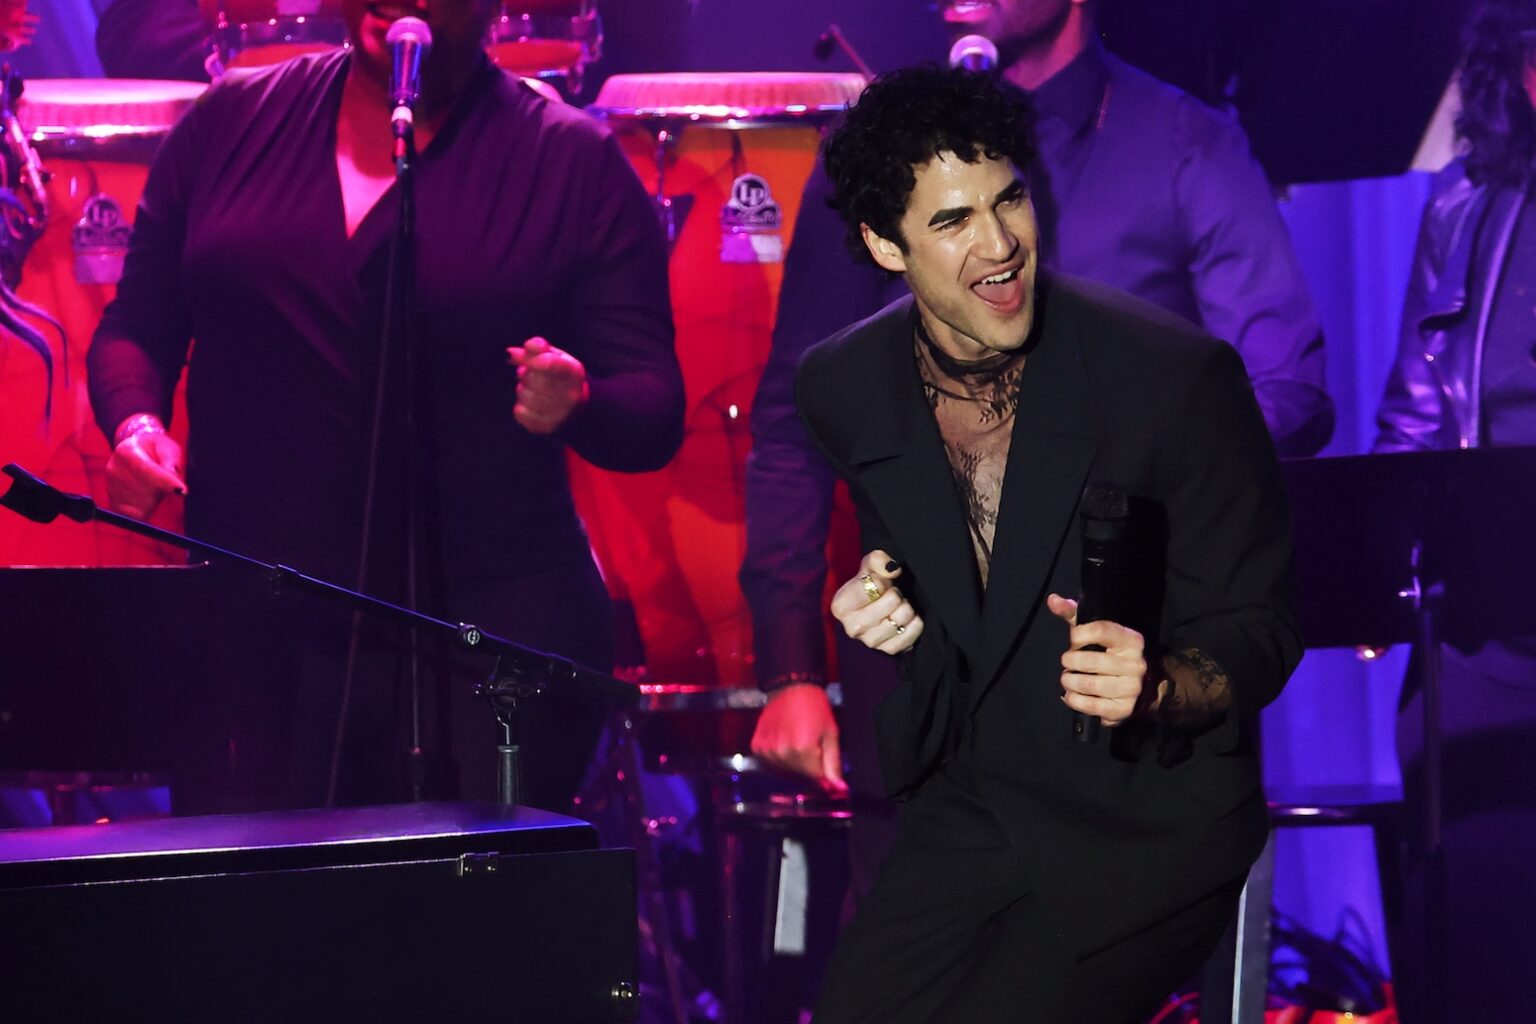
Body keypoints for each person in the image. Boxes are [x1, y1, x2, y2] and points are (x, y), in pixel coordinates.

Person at [744, 0, 1329, 896]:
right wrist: (787, 666)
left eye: (1010, 201)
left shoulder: (1181, 142)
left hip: (1115, 683)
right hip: (927, 704)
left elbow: (1284, 390)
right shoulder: (876, 159)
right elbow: (792, 419)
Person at [86, 0, 682, 815]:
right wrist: (136, 422)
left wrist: (578, 401)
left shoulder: (566, 158)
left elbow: (652, 408)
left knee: (459, 929)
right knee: (263, 929)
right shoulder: (230, 120)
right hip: (259, 631)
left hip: (483, 636)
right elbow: (137, 323)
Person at [1374, 2, 1536, 1018]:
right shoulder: (1466, 206)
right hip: (1486, 634)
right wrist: (1379, 564)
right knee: (1473, 960)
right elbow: (1417, 418)